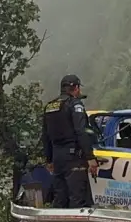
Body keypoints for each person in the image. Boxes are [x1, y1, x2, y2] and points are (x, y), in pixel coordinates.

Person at [41, 73, 101, 208]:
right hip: (74, 157)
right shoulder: (75, 105)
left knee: (60, 199)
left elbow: (45, 135)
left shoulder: (50, 106)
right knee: (78, 199)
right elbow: (81, 131)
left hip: (57, 158)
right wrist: (90, 157)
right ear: (76, 88)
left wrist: (49, 159)